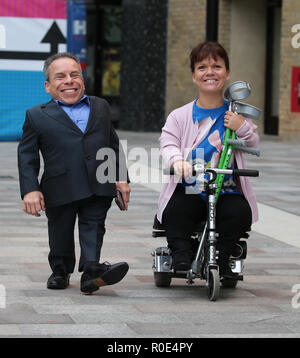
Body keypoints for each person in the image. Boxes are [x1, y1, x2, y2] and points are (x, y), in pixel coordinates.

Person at [17, 52, 131, 294]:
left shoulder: (100, 106)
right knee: (60, 229)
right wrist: (30, 189)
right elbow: (27, 156)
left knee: (94, 225)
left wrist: (121, 177)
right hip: (60, 185)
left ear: (83, 80)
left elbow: (112, 142)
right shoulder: (36, 115)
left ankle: (91, 271)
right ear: (48, 86)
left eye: (74, 74)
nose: (69, 80)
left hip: (99, 182)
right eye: (60, 77)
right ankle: (60, 270)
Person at [157, 41, 259, 277]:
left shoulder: (236, 113)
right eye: (202, 67)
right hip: (191, 187)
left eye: (217, 66)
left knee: (240, 213)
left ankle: (223, 259)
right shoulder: (180, 115)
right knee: (175, 212)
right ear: (194, 76)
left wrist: (241, 126)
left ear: (227, 72)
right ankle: (181, 256)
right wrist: (177, 161)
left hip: (226, 190)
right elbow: (168, 142)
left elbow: (253, 143)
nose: (210, 72)